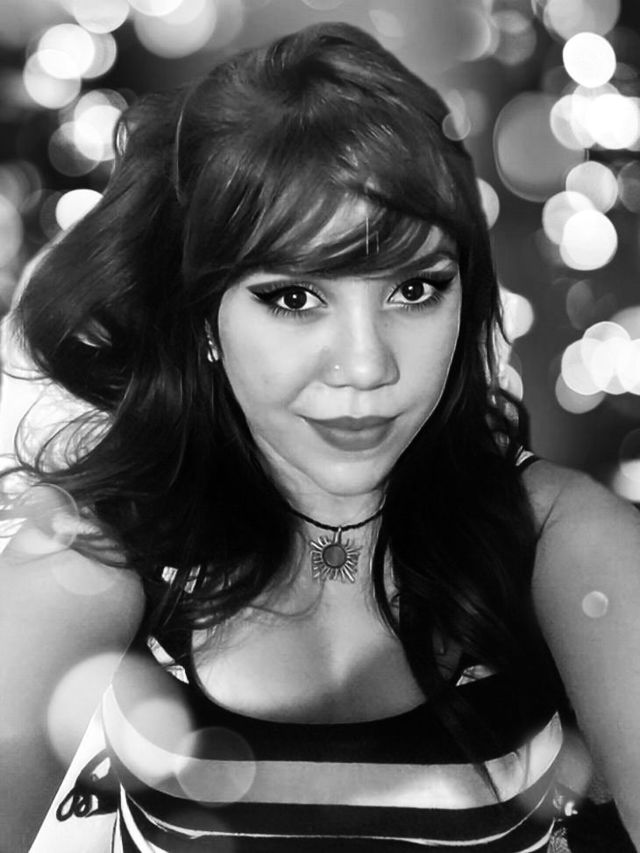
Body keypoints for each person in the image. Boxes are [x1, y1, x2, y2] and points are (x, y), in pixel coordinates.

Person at [1, 21, 639, 853]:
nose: (367, 366)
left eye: (415, 289)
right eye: (295, 297)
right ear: (202, 318)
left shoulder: (563, 536)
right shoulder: (98, 545)